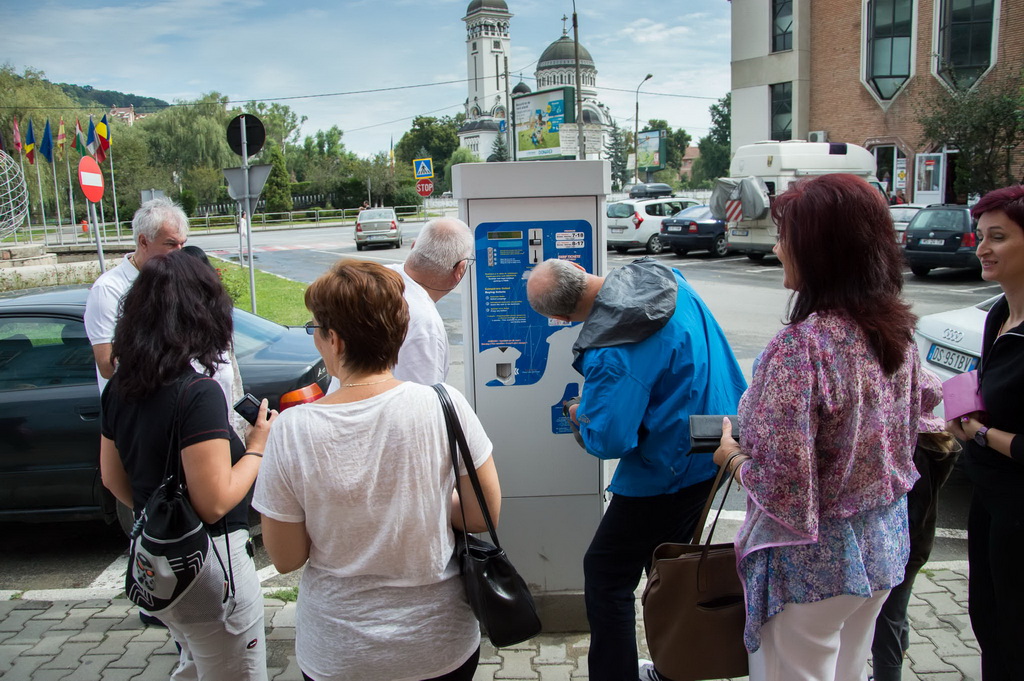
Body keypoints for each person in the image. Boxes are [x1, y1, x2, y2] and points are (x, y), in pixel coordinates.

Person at [713, 173, 941, 681]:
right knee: (849, 671)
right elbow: (926, 406)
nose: (776, 249)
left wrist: (731, 457)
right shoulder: (896, 329)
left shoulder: (802, 347)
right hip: (883, 546)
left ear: (822, 251)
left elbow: (786, 486)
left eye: (785, 237)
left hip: (813, 564)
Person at [253, 260, 501, 681]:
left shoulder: (292, 430)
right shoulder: (446, 405)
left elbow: (286, 557)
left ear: (334, 338)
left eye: (315, 328)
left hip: (340, 651)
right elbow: (482, 516)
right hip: (439, 645)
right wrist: (424, 502)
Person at [526, 257, 747, 681]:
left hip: (665, 474)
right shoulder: (662, 277)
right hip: (715, 442)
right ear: (579, 268)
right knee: (664, 567)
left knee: (606, 575)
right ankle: (676, 664)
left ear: (557, 317)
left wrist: (579, 412)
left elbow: (610, 439)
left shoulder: (611, 351)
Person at [99, 250, 276, 681]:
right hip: (212, 566)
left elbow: (112, 476)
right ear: (204, 313)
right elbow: (214, 501)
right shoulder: (198, 393)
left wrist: (161, 516)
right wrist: (257, 445)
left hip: (160, 567)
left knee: (196, 664)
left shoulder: (120, 387)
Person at [946, 184, 1024, 681]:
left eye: (998, 236)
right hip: (990, 501)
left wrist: (978, 432)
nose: (982, 248)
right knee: (989, 623)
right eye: (980, 235)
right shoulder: (999, 313)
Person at [326, 217, 474, 390]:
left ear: (413, 246)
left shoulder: (378, 279)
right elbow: (422, 404)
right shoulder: (424, 325)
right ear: (460, 269)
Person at [870, 428, 960, 681]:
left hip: (899, 547)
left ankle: (888, 675)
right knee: (897, 612)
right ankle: (897, 659)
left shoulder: (914, 448)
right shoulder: (936, 442)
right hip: (917, 545)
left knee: (886, 624)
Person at [85, 197, 188, 392]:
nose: (179, 253)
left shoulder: (177, 280)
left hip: (175, 403)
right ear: (143, 241)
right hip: (134, 408)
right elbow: (107, 366)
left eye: (182, 244)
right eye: (170, 244)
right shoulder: (108, 289)